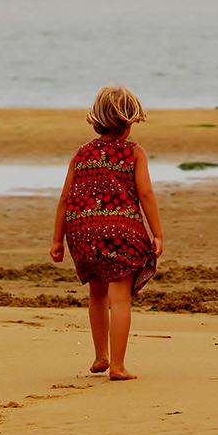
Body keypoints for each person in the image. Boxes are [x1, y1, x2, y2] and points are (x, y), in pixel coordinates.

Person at [50, 85, 164, 381]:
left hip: (83, 232)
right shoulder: (134, 152)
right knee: (120, 298)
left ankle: (100, 356)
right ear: (128, 123)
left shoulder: (82, 153)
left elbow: (65, 197)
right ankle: (117, 365)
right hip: (120, 232)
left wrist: (57, 239)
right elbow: (146, 193)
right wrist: (158, 233)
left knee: (97, 293)